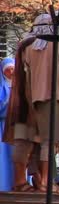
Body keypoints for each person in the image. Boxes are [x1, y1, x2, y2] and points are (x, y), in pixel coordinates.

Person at [22, 13, 59, 193]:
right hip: (57, 99)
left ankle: (41, 178)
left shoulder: (30, 48)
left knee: (41, 140)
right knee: (53, 141)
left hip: (36, 100)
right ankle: (47, 181)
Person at [0, 58, 15, 191]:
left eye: (12, 69)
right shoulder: (1, 88)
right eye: (7, 70)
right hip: (3, 127)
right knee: (3, 157)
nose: (11, 72)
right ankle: (4, 184)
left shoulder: (20, 86)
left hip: (16, 126)